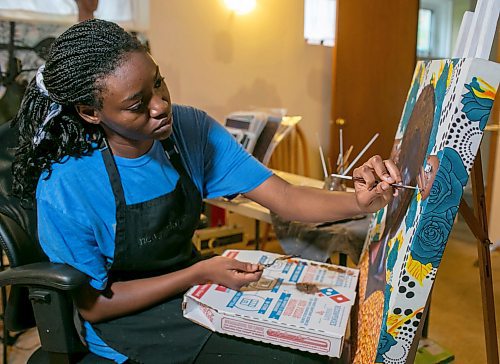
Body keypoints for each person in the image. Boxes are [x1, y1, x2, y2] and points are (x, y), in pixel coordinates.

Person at [11, 19, 401, 364]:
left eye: (159, 82)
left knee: (321, 346)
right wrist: (197, 273)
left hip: (194, 289)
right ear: (91, 112)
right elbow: (95, 306)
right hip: (127, 324)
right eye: (137, 105)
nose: (161, 105)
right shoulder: (67, 184)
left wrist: (358, 201)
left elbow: (286, 198)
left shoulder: (190, 130)